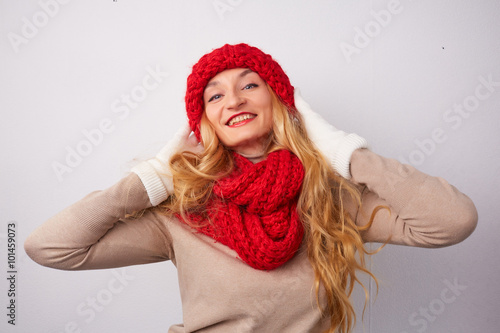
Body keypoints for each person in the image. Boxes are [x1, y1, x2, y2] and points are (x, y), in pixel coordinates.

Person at [25, 43, 478, 333]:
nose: (235, 99)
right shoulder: (184, 209)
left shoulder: (328, 197)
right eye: (215, 95)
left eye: (250, 85)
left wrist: (343, 152)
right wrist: (151, 180)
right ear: (204, 122)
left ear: (280, 103)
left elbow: (452, 222)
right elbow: (49, 248)